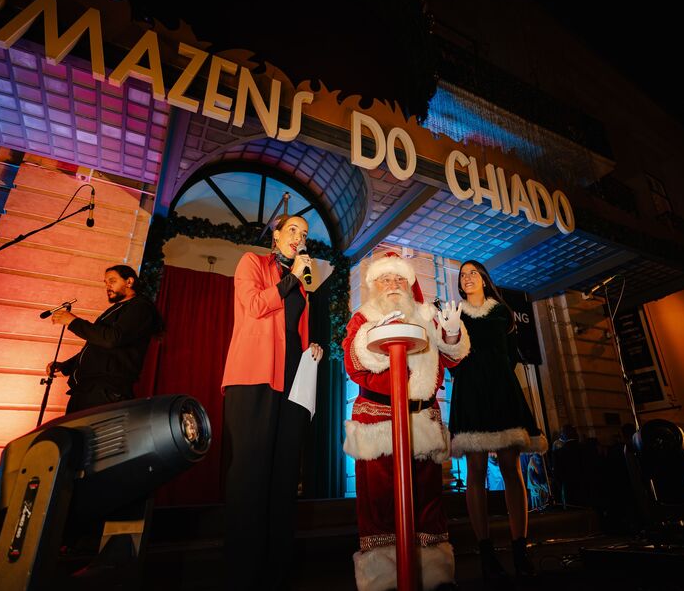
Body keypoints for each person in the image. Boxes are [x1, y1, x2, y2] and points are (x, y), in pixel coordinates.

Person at [342, 252, 469, 591]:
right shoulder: (362, 318)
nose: (393, 285)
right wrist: (376, 338)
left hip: (423, 419)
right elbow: (354, 364)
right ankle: (384, 578)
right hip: (379, 421)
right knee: (380, 503)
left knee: (427, 502)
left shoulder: (427, 316)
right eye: (386, 279)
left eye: (400, 279)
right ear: (374, 285)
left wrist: (452, 333)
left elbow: (451, 358)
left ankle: (433, 575)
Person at [221, 215, 323, 591]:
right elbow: (254, 305)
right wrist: (291, 278)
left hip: (292, 383)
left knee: (284, 480)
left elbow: (294, 331)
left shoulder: (301, 284)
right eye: (292, 230)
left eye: (304, 233)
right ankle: (242, 576)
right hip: (253, 378)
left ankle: (276, 575)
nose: (299, 236)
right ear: (276, 235)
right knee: (250, 479)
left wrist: (310, 348)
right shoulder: (252, 263)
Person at [448, 260, 548, 582]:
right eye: (463, 275)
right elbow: (451, 358)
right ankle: (486, 553)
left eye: (473, 273)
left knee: (510, 467)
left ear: (484, 279)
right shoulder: (455, 314)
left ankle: (520, 549)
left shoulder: (503, 312)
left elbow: (512, 355)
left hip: (501, 390)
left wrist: (498, 377)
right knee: (476, 470)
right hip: (470, 392)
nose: (467, 277)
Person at [47, 264, 162, 414]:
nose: (108, 286)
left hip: (105, 393)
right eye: (106, 283)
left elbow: (112, 339)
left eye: (112, 281)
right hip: (87, 390)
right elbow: (97, 346)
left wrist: (73, 321)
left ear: (129, 282)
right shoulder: (117, 309)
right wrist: (65, 366)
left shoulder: (140, 307)